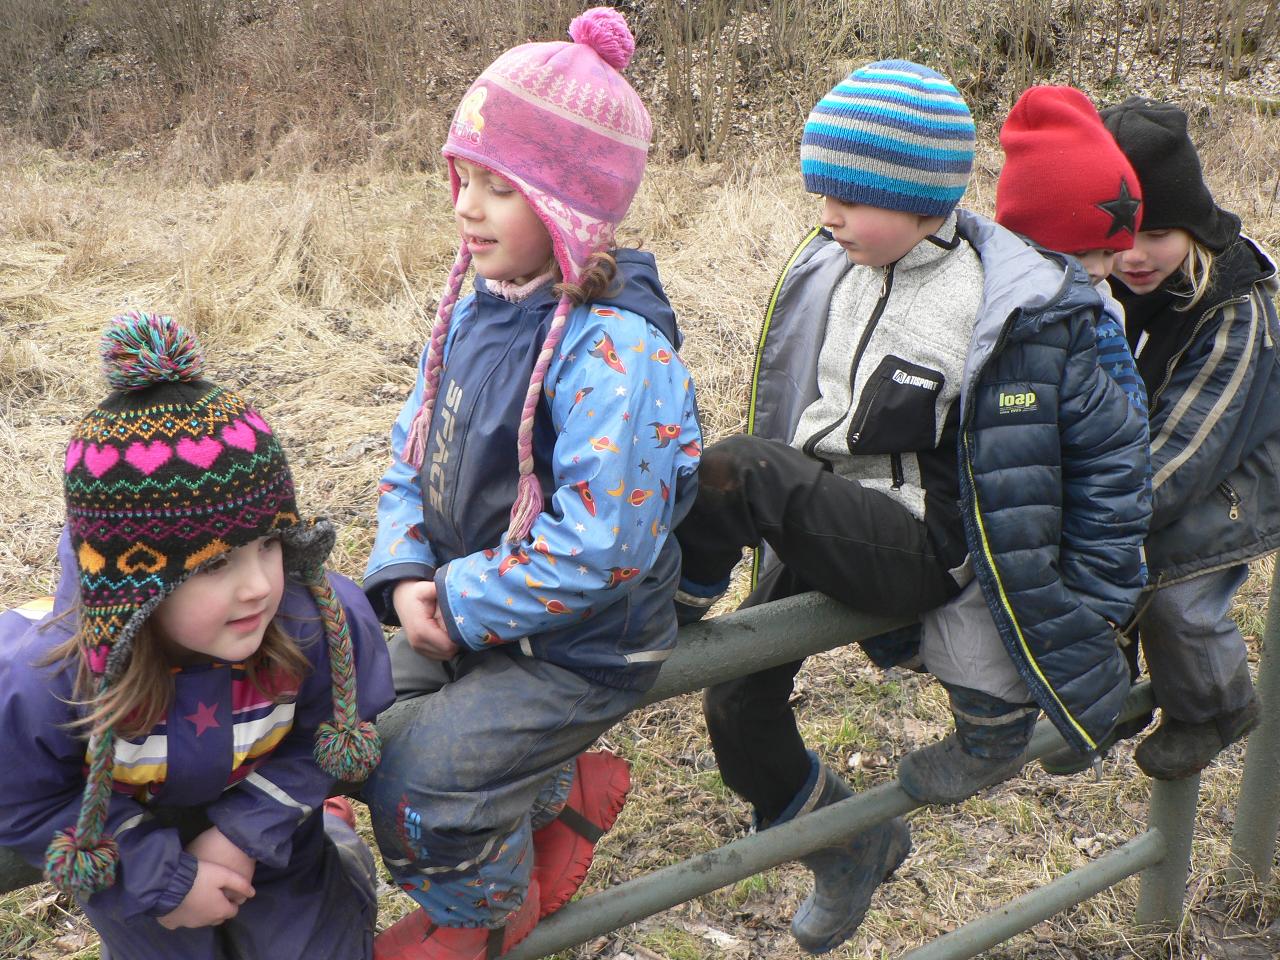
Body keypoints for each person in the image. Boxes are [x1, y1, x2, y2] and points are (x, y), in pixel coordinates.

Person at [673, 61, 1150, 954]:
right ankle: (848, 844)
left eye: (851, 198)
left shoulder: (1001, 304)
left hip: (919, 543)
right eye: (821, 193)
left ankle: (673, 596)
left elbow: (1092, 466)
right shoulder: (842, 268)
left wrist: (1093, 599)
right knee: (733, 698)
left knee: (739, 469)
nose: (827, 215)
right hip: (832, 513)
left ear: (923, 198)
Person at [360, 8, 701, 959]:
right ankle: (552, 791)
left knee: (420, 779)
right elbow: (412, 451)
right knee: (338, 715)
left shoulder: (615, 352)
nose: (466, 208)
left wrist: (458, 602)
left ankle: (487, 915)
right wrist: (405, 574)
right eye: (463, 178)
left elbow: (603, 545)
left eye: (499, 188)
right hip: (473, 607)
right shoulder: (476, 308)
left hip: (579, 645)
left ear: (568, 208)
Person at [0, 312, 394, 960]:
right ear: (133, 584)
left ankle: (338, 845)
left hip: (276, 834)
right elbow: (26, 800)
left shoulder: (311, 626)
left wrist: (246, 833)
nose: (259, 586)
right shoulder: (45, 683)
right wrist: (163, 879)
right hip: (134, 863)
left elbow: (326, 735)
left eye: (270, 544)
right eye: (213, 565)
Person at [1097, 96, 1280, 780]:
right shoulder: (1103, 283)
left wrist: (1106, 513)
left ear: (1195, 226)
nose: (1135, 254)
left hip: (1240, 466)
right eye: (1119, 233)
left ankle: (1216, 707)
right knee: (1103, 557)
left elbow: (1193, 444)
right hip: (1153, 453)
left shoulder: (1233, 311)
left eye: (1158, 232)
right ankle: (1103, 696)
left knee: (1174, 583)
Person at [994, 85, 1155, 775]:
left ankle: (1089, 718)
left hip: (1084, 531)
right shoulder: (1028, 306)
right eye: (1077, 249)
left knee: (1082, 642)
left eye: (1109, 251)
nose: (1099, 268)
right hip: (1035, 515)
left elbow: (1120, 454)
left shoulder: (1093, 321)